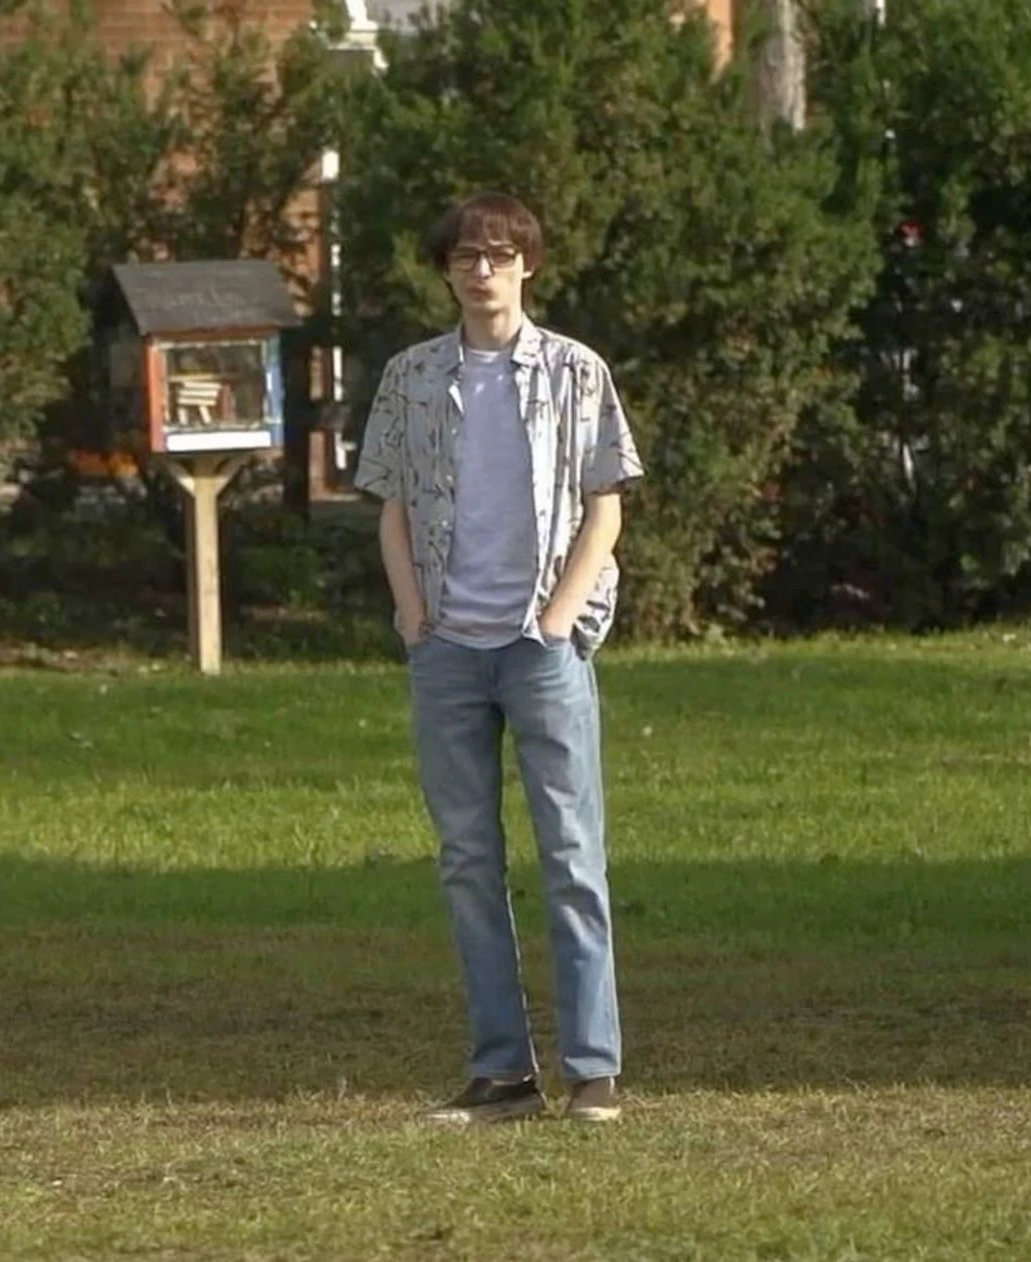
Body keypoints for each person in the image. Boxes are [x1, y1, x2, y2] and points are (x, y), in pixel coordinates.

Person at [354, 191, 643, 1124]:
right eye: (465, 258)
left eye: (498, 256)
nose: (482, 272)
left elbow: (606, 506)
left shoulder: (576, 371)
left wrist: (558, 620)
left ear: (528, 265)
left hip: (540, 647)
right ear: (446, 271)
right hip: (446, 649)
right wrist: (413, 617)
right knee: (468, 861)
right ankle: (503, 1073)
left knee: (572, 854)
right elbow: (393, 508)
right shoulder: (411, 376)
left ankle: (592, 1070)